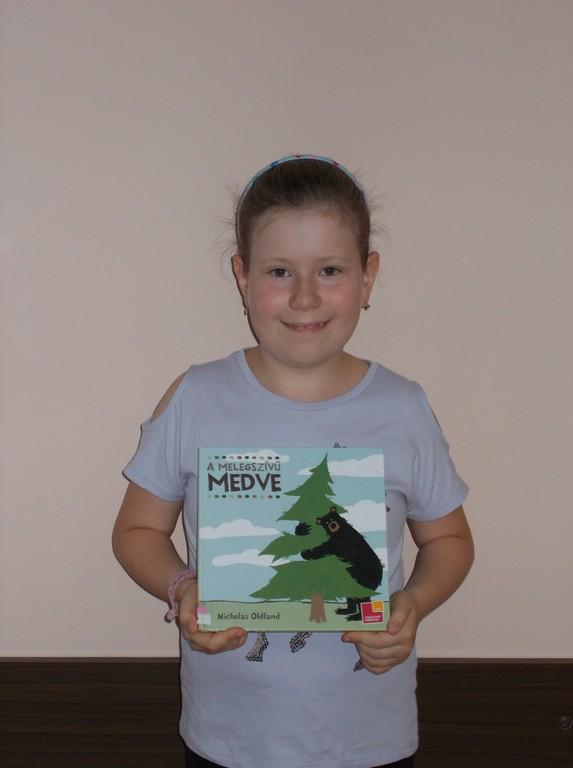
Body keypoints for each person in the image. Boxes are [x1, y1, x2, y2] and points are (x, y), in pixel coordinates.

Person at [112, 154, 474, 768]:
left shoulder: (403, 406)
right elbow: (136, 531)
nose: (305, 296)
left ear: (368, 277)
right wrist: (184, 588)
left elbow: (450, 539)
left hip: (370, 739)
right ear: (242, 277)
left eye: (330, 270)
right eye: (279, 271)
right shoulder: (197, 397)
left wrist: (412, 604)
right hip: (228, 739)